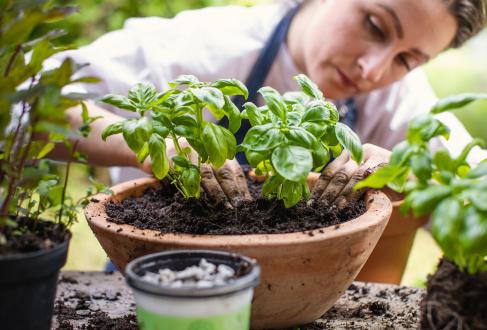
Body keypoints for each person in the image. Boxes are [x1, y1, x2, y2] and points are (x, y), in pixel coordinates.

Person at [48, 0, 487, 208]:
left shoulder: (398, 94)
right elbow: (26, 102)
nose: (373, 70)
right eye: (374, 25)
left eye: (407, 58)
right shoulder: (203, 50)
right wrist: (149, 147)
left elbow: (475, 182)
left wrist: (403, 169)